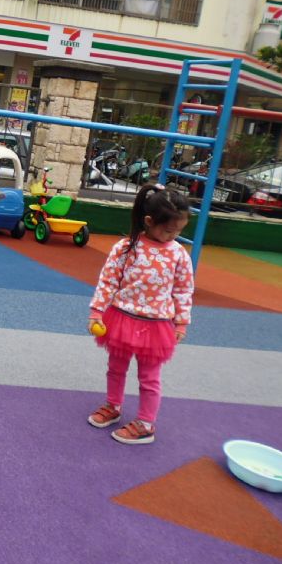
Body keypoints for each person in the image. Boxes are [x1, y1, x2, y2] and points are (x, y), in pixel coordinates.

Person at [87, 183, 194, 445]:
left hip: (156, 325)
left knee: (149, 377)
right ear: (148, 221)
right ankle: (113, 405)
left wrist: (181, 323)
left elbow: (183, 290)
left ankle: (146, 423)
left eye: (179, 231)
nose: (173, 235)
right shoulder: (126, 247)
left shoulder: (179, 254)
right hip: (121, 318)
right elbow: (108, 281)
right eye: (168, 230)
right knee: (116, 368)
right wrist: (97, 311)